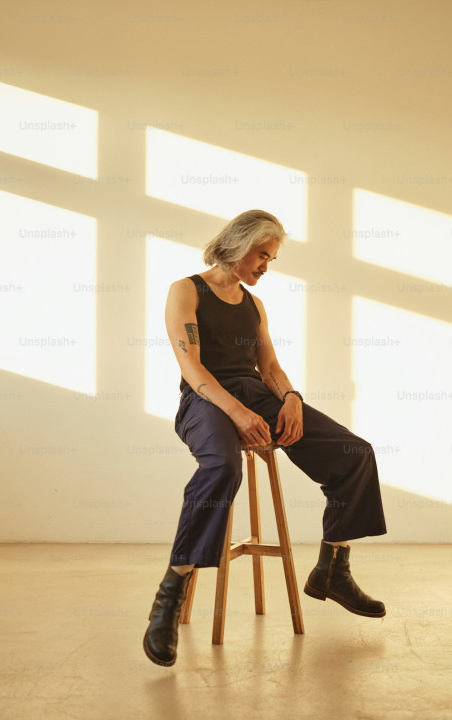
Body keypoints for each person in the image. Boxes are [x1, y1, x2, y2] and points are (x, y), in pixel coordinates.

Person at [143, 209, 387, 667]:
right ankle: (170, 593)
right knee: (222, 465)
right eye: (262, 256)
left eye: (271, 259)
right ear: (237, 245)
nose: (265, 267)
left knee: (355, 454)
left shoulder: (254, 305)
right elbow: (192, 368)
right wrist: (236, 413)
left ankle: (332, 568)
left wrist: (291, 397)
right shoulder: (186, 291)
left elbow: (269, 368)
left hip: (257, 395)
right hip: (205, 401)